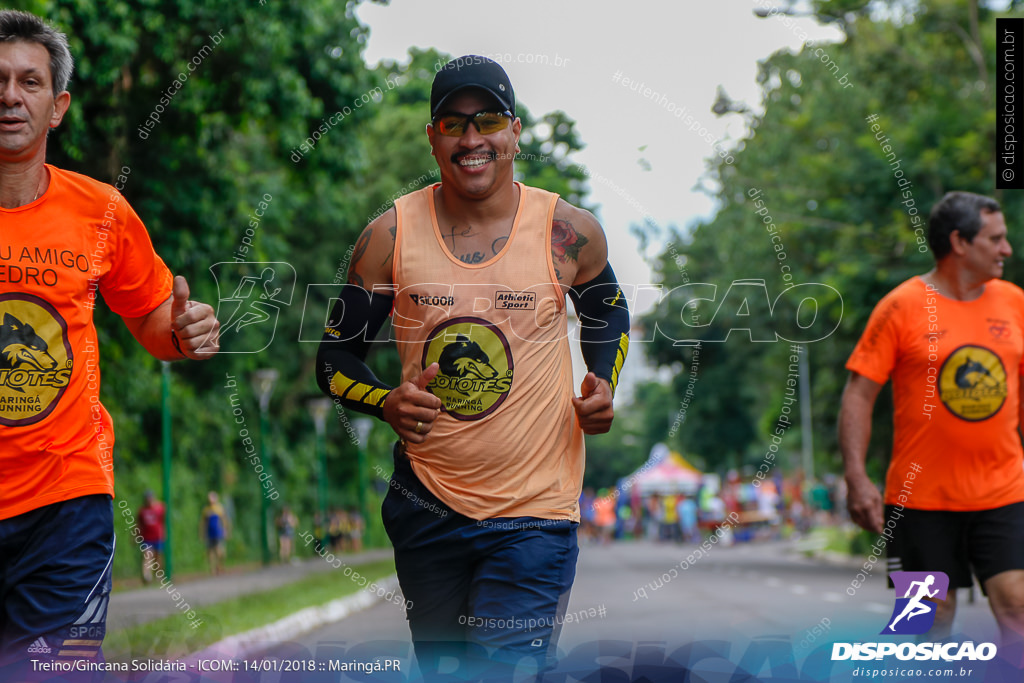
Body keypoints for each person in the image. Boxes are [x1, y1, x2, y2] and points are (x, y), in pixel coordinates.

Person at [316, 55, 629, 677]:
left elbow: (608, 315)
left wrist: (603, 384)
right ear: (433, 138)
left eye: (487, 119)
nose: (471, 138)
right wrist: (386, 402)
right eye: (453, 124)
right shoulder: (389, 235)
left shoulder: (567, 232)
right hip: (427, 504)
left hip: (535, 512)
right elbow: (334, 359)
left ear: (515, 131)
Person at [0, 11, 219, 678]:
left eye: (29, 81)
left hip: (63, 500)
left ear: (57, 106)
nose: (9, 94)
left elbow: (153, 317)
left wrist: (183, 332)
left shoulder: (100, 213)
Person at [840, 191, 1024, 647]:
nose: (1007, 250)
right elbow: (859, 394)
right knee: (927, 620)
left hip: (1003, 489)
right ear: (960, 242)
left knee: (1017, 602)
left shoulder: (1015, 303)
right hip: (921, 498)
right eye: (996, 239)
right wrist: (857, 478)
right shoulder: (901, 306)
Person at [137, 490, 166, 584]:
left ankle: (158, 575)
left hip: (158, 537)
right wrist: (135, 536)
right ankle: (147, 576)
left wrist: (164, 533)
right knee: (147, 556)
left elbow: (164, 521)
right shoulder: (142, 510)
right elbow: (138, 524)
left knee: (158, 557)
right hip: (146, 538)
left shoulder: (160, 508)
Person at [200, 492, 229, 575]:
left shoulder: (219, 508)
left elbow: (224, 520)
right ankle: (212, 569)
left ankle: (219, 565)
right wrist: (203, 533)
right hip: (210, 533)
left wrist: (225, 530)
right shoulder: (206, 510)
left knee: (219, 550)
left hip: (218, 532)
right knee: (210, 551)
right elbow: (203, 523)